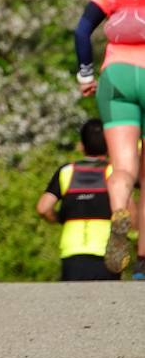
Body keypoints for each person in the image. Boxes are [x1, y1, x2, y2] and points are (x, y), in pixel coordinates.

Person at [73, 0, 145, 275]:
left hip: (115, 76)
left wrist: (86, 75)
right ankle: (144, 263)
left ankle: (119, 210)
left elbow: (82, 29)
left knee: (124, 168)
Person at [37, 118, 116, 281]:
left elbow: (43, 208)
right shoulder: (114, 173)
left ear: (81, 145)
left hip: (72, 251)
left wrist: (59, 218)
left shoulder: (66, 171)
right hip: (108, 250)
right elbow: (128, 211)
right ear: (111, 144)